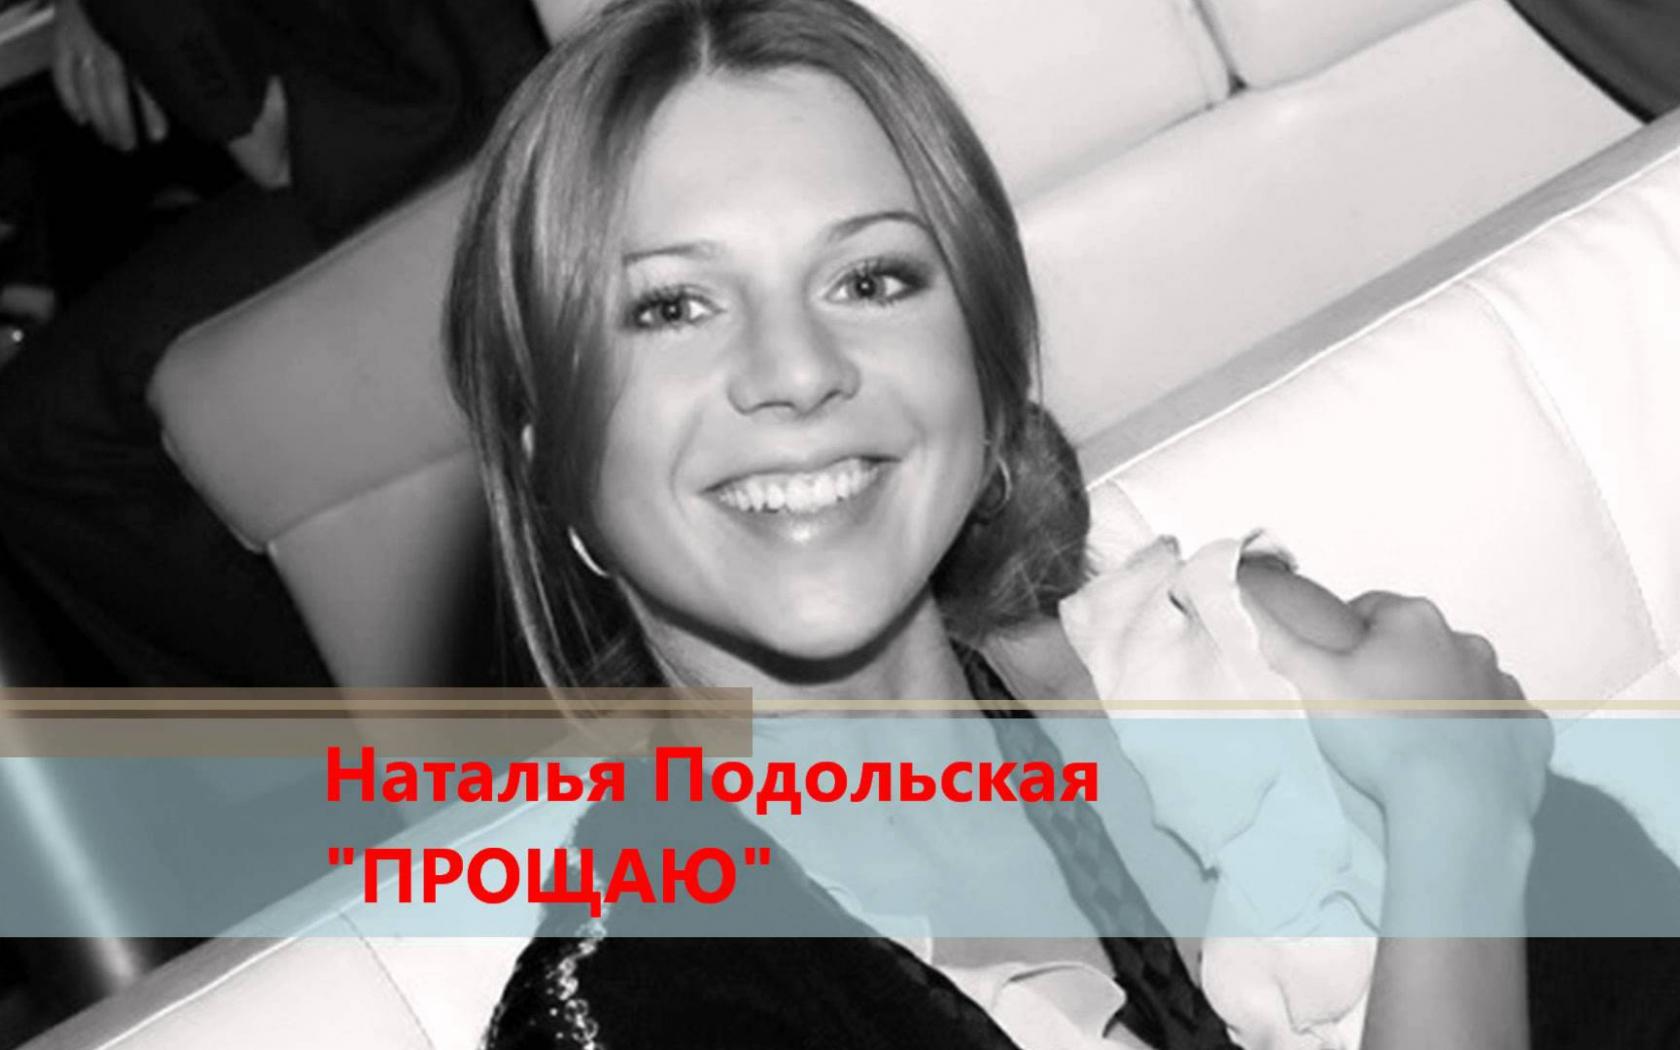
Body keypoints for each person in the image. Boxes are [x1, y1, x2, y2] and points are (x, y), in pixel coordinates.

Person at [444, 1, 1680, 1047]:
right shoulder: (636, 1014)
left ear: (984, 379)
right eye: (672, 307)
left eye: (870, 279)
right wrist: (1457, 813)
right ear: (558, 468)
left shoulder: (1241, 664)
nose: (799, 369)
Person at [0, 0, 546, 684]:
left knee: (41, 436)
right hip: (540, 95)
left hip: (461, 142)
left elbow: (264, 141)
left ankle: (325, 728)